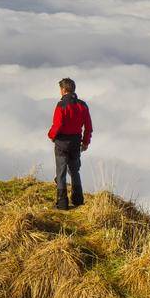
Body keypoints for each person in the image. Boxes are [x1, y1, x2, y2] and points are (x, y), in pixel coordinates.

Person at [48, 77, 92, 209]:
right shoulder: (82, 105)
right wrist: (85, 142)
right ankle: (78, 199)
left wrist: (51, 135)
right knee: (74, 171)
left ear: (63, 90)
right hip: (75, 142)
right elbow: (88, 127)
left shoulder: (61, 105)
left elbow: (58, 124)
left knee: (61, 172)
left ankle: (62, 204)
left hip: (62, 143)